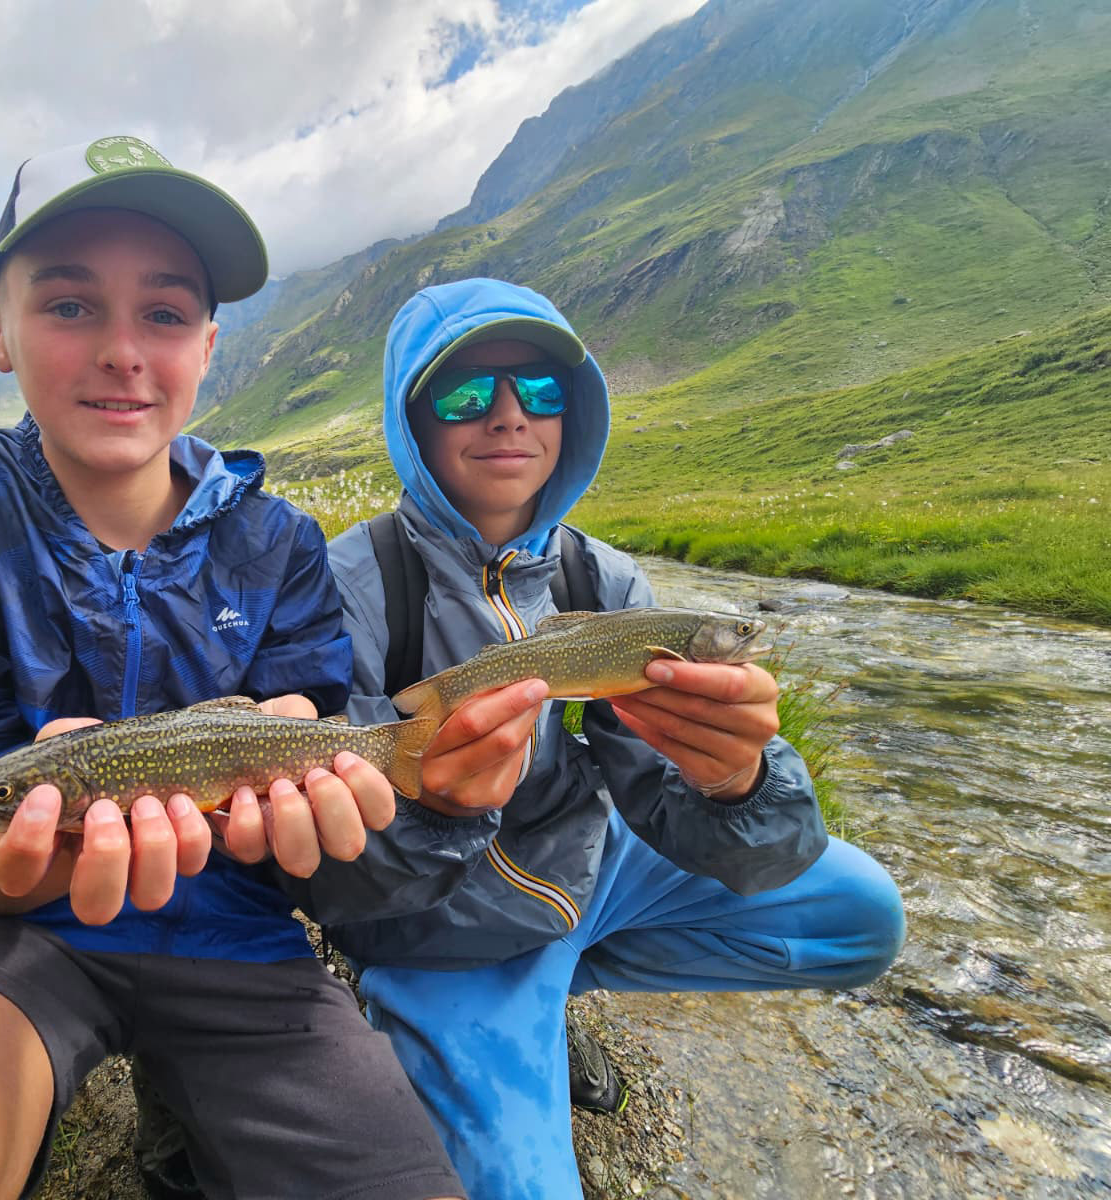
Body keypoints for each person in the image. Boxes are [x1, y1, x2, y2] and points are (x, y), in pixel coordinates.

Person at [0, 137, 465, 1200]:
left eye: (163, 313)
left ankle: (188, 1125)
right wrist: (37, 853)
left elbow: (310, 816)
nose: (123, 350)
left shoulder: (283, 548)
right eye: (71, 305)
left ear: (209, 346)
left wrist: (326, 813)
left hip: (240, 936)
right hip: (10, 931)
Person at [279, 277, 908, 1199]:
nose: (508, 414)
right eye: (464, 392)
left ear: (571, 412)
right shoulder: (346, 585)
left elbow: (657, 794)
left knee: (863, 917)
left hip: (592, 873)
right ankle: (467, 1007)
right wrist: (437, 808)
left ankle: (553, 981)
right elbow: (323, 874)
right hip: (442, 934)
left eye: (539, 389)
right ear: (410, 421)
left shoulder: (604, 579)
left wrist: (736, 782)